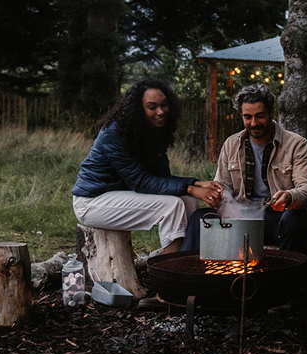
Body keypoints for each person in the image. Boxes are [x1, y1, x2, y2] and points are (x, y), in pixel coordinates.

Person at [72, 78, 223, 254]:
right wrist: (190, 188)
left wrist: (196, 184)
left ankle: (189, 258)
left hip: (119, 193)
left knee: (188, 202)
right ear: (138, 109)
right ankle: (172, 272)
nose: (161, 112)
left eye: (164, 105)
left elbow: (161, 178)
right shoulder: (116, 133)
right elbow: (140, 182)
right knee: (172, 206)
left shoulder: (155, 131)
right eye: (152, 107)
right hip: (93, 201)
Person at [212, 83, 307, 310]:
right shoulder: (232, 144)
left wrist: (290, 197)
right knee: (201, 218)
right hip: (243, 216)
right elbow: (222, 186)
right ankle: (212, 290)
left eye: (260, 116)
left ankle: (286, 293)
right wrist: (222, 201)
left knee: (296, 219)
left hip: (279, 216)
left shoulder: (296, 145)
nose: (253, 123)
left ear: (272, 113)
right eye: (247, 117)